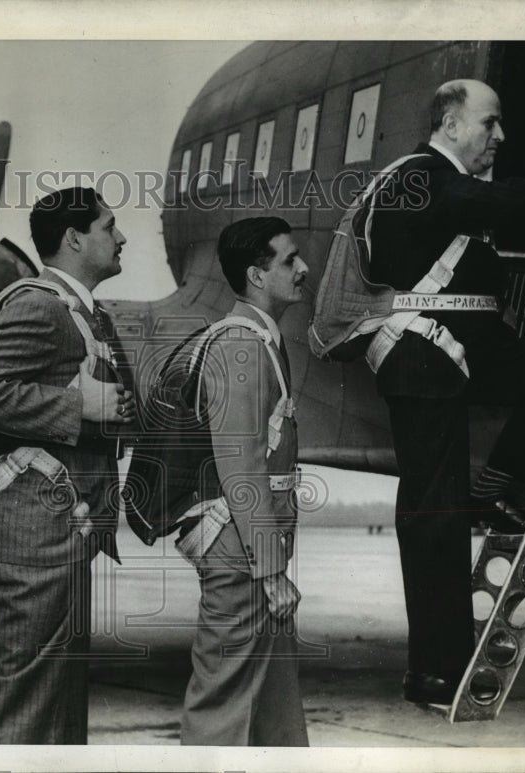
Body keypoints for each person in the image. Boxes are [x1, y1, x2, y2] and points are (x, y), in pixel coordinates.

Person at [365, 79, 525, 705]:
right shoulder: (418, 175)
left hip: (465, 349)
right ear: (449, 124)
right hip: (420, 359)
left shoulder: (450, 186)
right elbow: (480, 202)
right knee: (434, 520)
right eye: (489, 123)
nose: (500, 137)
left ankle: (495, 486)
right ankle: (434, 669)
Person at [0, 186, 136, 744]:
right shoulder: (40, 303)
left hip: (60, 529)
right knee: (27, 701)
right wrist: (80, 407)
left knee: (56, 705)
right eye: (109, 226)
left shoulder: (83, 311)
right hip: (34, 533)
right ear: (74, 238)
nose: (122, 236)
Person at [177, 217, 310, 746]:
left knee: (274, 710)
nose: (304, 269)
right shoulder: (239, 345)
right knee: (223, 704)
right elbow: (242, 470)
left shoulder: (259, 340)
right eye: (289, 260)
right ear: (257, 274)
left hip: (253, 548)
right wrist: (271, 571)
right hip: (244, 556)